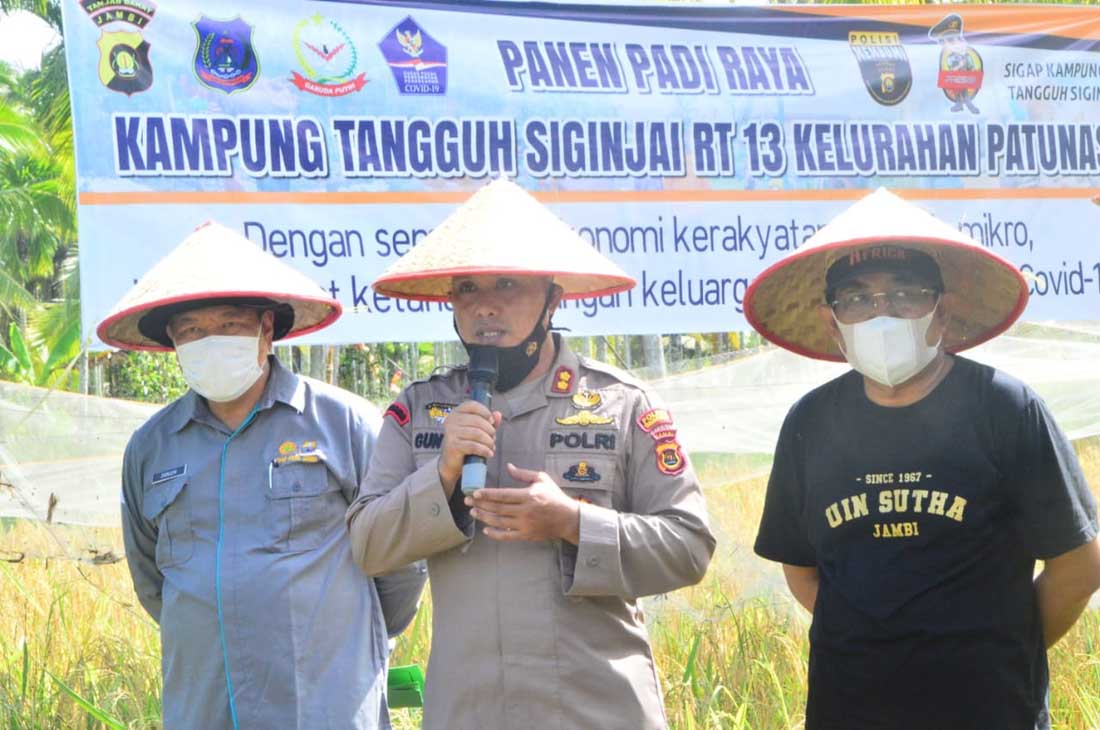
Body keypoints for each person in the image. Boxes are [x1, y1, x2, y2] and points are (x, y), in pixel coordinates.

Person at [346, 178, 715, 730]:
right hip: (470, 710)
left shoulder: (621, 405)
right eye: (468, 287)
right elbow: (369, 546)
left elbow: (689, 547)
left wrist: (573, 522)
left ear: (552, 300)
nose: (485, 304)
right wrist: (442, 476)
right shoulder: (419, 410)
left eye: (507, 283)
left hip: (598, 709)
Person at [744, 188, 1100, 730]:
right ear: (831, 322)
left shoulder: (1006, 409)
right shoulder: (809, 424)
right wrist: (885, 645)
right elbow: (801, 567)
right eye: (858, 300)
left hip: (991, 710)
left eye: (905, 294)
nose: (881, 314)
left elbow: (1079, 564)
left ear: (943, 309)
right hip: (849, 710)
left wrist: (999, 645)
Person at [98, 221, 426, 730]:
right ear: (173, 343)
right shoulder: (151, 447)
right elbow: (153, 582)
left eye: (228, 325)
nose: (209, 342)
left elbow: (400, 562)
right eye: (191, 331)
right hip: (204, 704)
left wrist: (344, 638)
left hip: (325, 704)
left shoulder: (344, 424)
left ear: (266, 328)